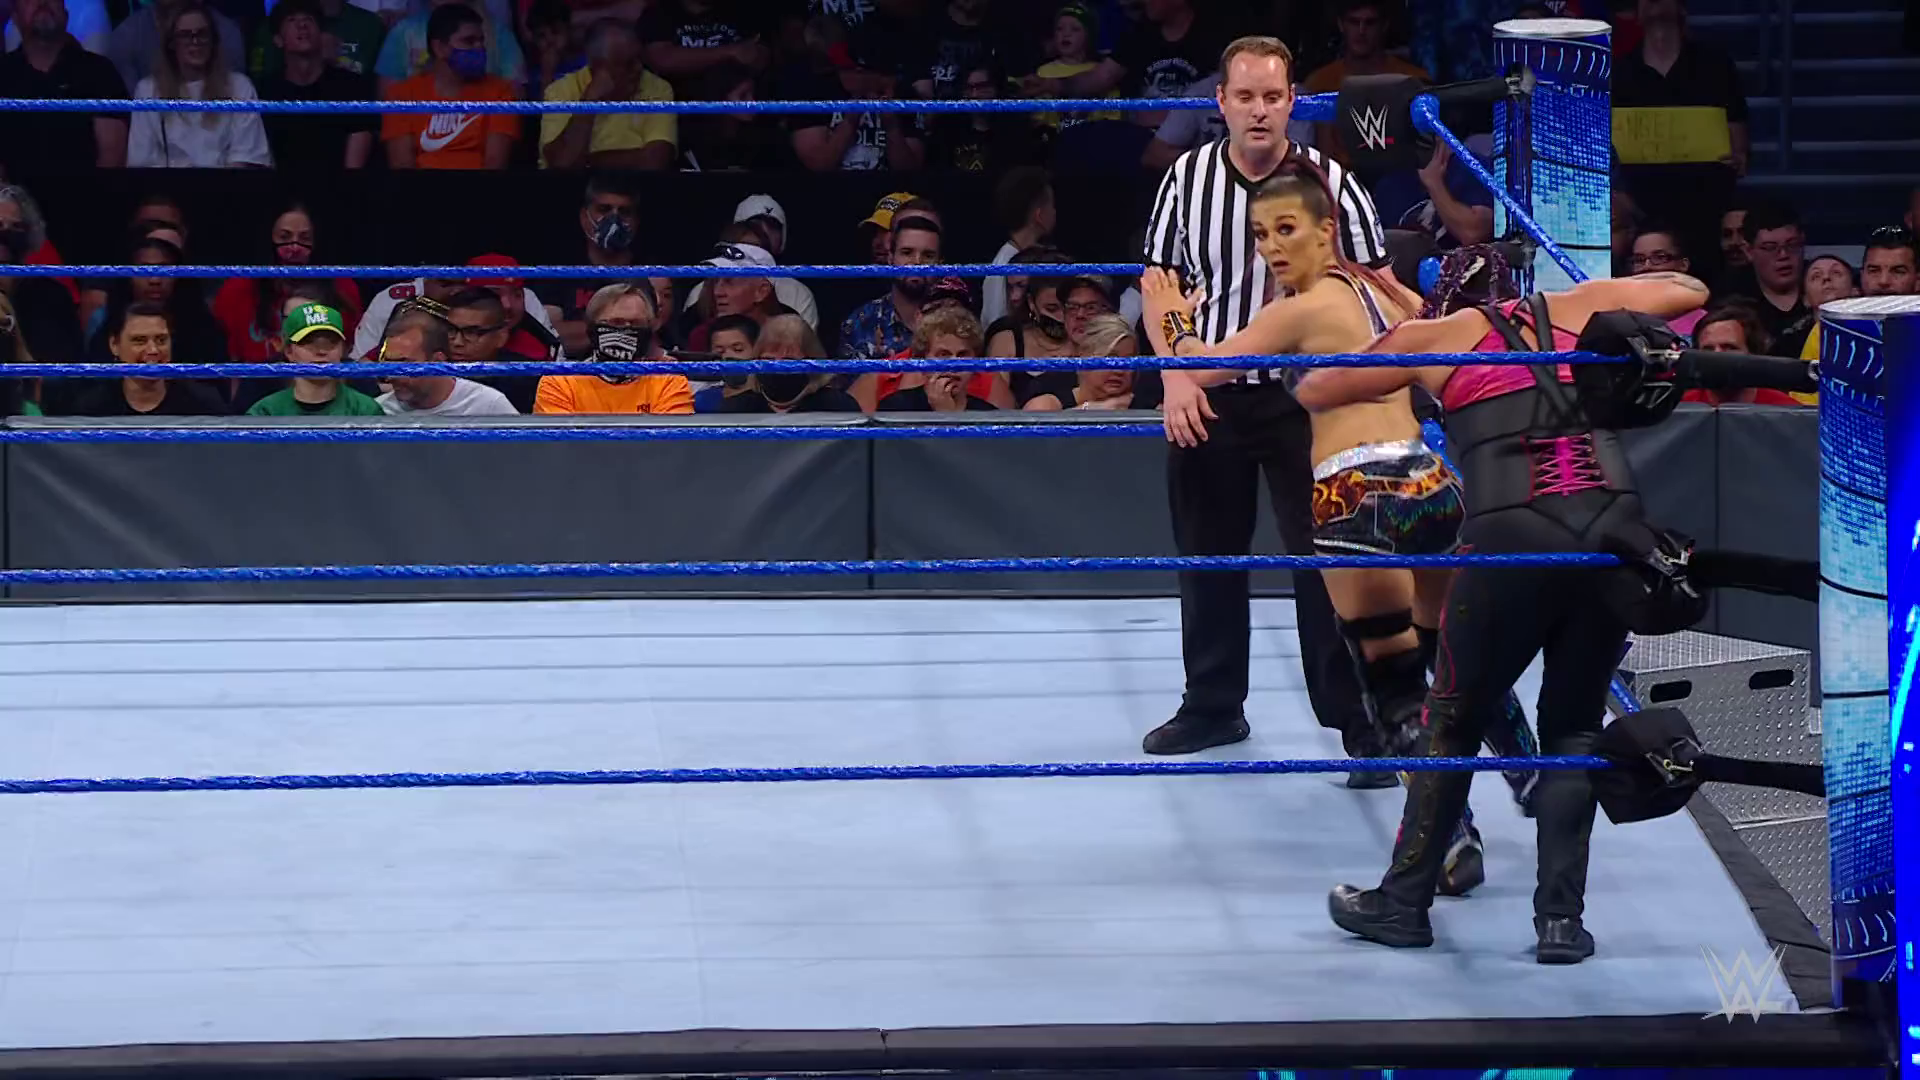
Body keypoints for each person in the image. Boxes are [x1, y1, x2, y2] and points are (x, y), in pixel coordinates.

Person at [1299, 271, 1715, 962]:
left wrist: (1401, 335)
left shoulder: (1437, 336)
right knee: (1575, 725)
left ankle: (1403, 903)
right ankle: (1561, 924)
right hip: (1612, 535)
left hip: (1513, 537)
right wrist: (1597, 296)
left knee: (1452, 719)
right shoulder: (1588, 306)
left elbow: (1319, 387)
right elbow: (1688, 288)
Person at [1142, 158, 1521, 885]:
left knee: (1395, 683)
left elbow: (1206, 364)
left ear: (1325, 231)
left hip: (1358, 497)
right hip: (1434, 486)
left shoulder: (1302, 307)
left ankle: (1448, 836)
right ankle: (1536, 777)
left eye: (1282, 231)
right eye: (1260, 236)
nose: (1271, 250)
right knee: (1453, 657)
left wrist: (1172, 318)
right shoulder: (1394, 293)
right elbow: (1457, 347)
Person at [1139, 34, 1385, 761]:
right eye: (1244, 96)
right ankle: (1213, 706)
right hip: (1211, 393)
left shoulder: (1332, 184)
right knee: (1207, 553)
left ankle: (1359, 720)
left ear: (1291, 102)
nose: (1258, 111)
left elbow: (1375, 289)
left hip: (1306, 398)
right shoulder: (1187, 178)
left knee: (1326, 558)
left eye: (1272, 97)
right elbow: (1160, 286)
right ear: (1220, 102)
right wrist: (1175, 377)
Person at [246, 303, 384, 417]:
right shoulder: (266, 413)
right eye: (309, 342)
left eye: (330, 342)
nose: (321, 351)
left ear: (343, 349)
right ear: (289, 351)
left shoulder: (365, 410)